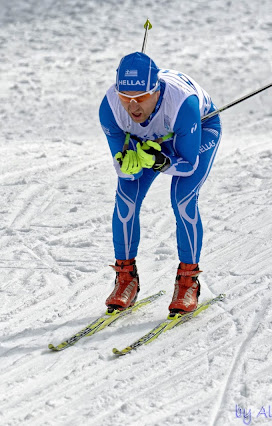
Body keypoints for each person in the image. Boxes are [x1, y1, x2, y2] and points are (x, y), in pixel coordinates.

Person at [99, 51, 222, 315]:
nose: (133, 107)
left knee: (183, 199)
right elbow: (124, 170)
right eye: (126, 98)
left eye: (141, 98)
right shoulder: (110, 108)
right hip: (145, 135)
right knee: (126, 198)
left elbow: (188, 165)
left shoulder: (182, 105)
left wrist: (160, 161)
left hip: (193, 128)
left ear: (156, 90)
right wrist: (127, 164)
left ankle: (189, 281)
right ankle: (126, 279)